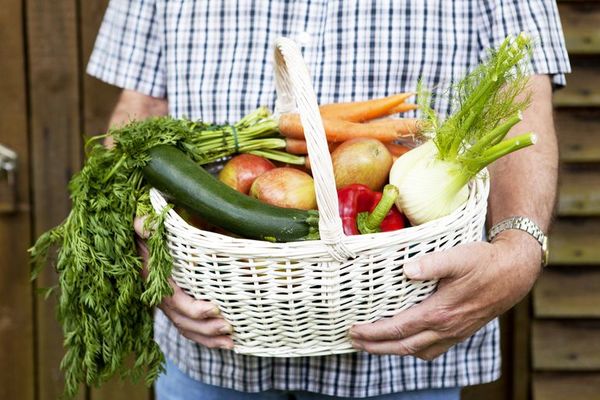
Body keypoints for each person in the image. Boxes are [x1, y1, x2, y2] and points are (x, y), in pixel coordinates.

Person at [88, 1, 570, 399]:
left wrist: (519, 251)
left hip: (402, 353)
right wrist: (145, 257)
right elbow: (141, 113)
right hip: (210, 344)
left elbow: (521, 104)